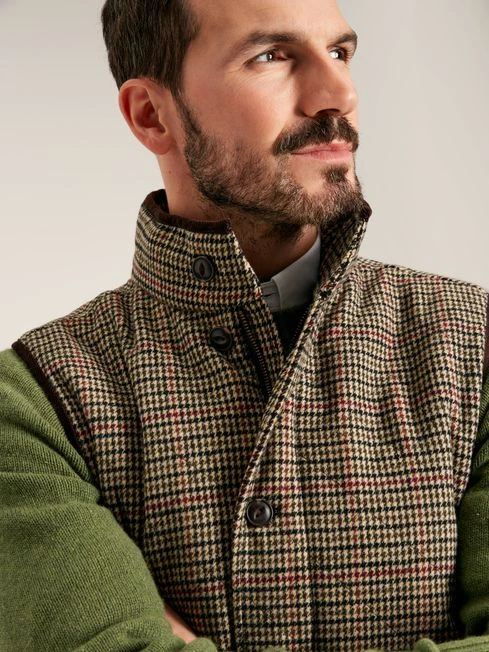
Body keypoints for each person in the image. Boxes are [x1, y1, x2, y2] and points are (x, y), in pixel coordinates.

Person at [1, 0, 488, 650]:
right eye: (271, 56)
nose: (338, 93)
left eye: (339, 53)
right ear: (151, 115)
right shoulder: (32, 403)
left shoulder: (475, 343)